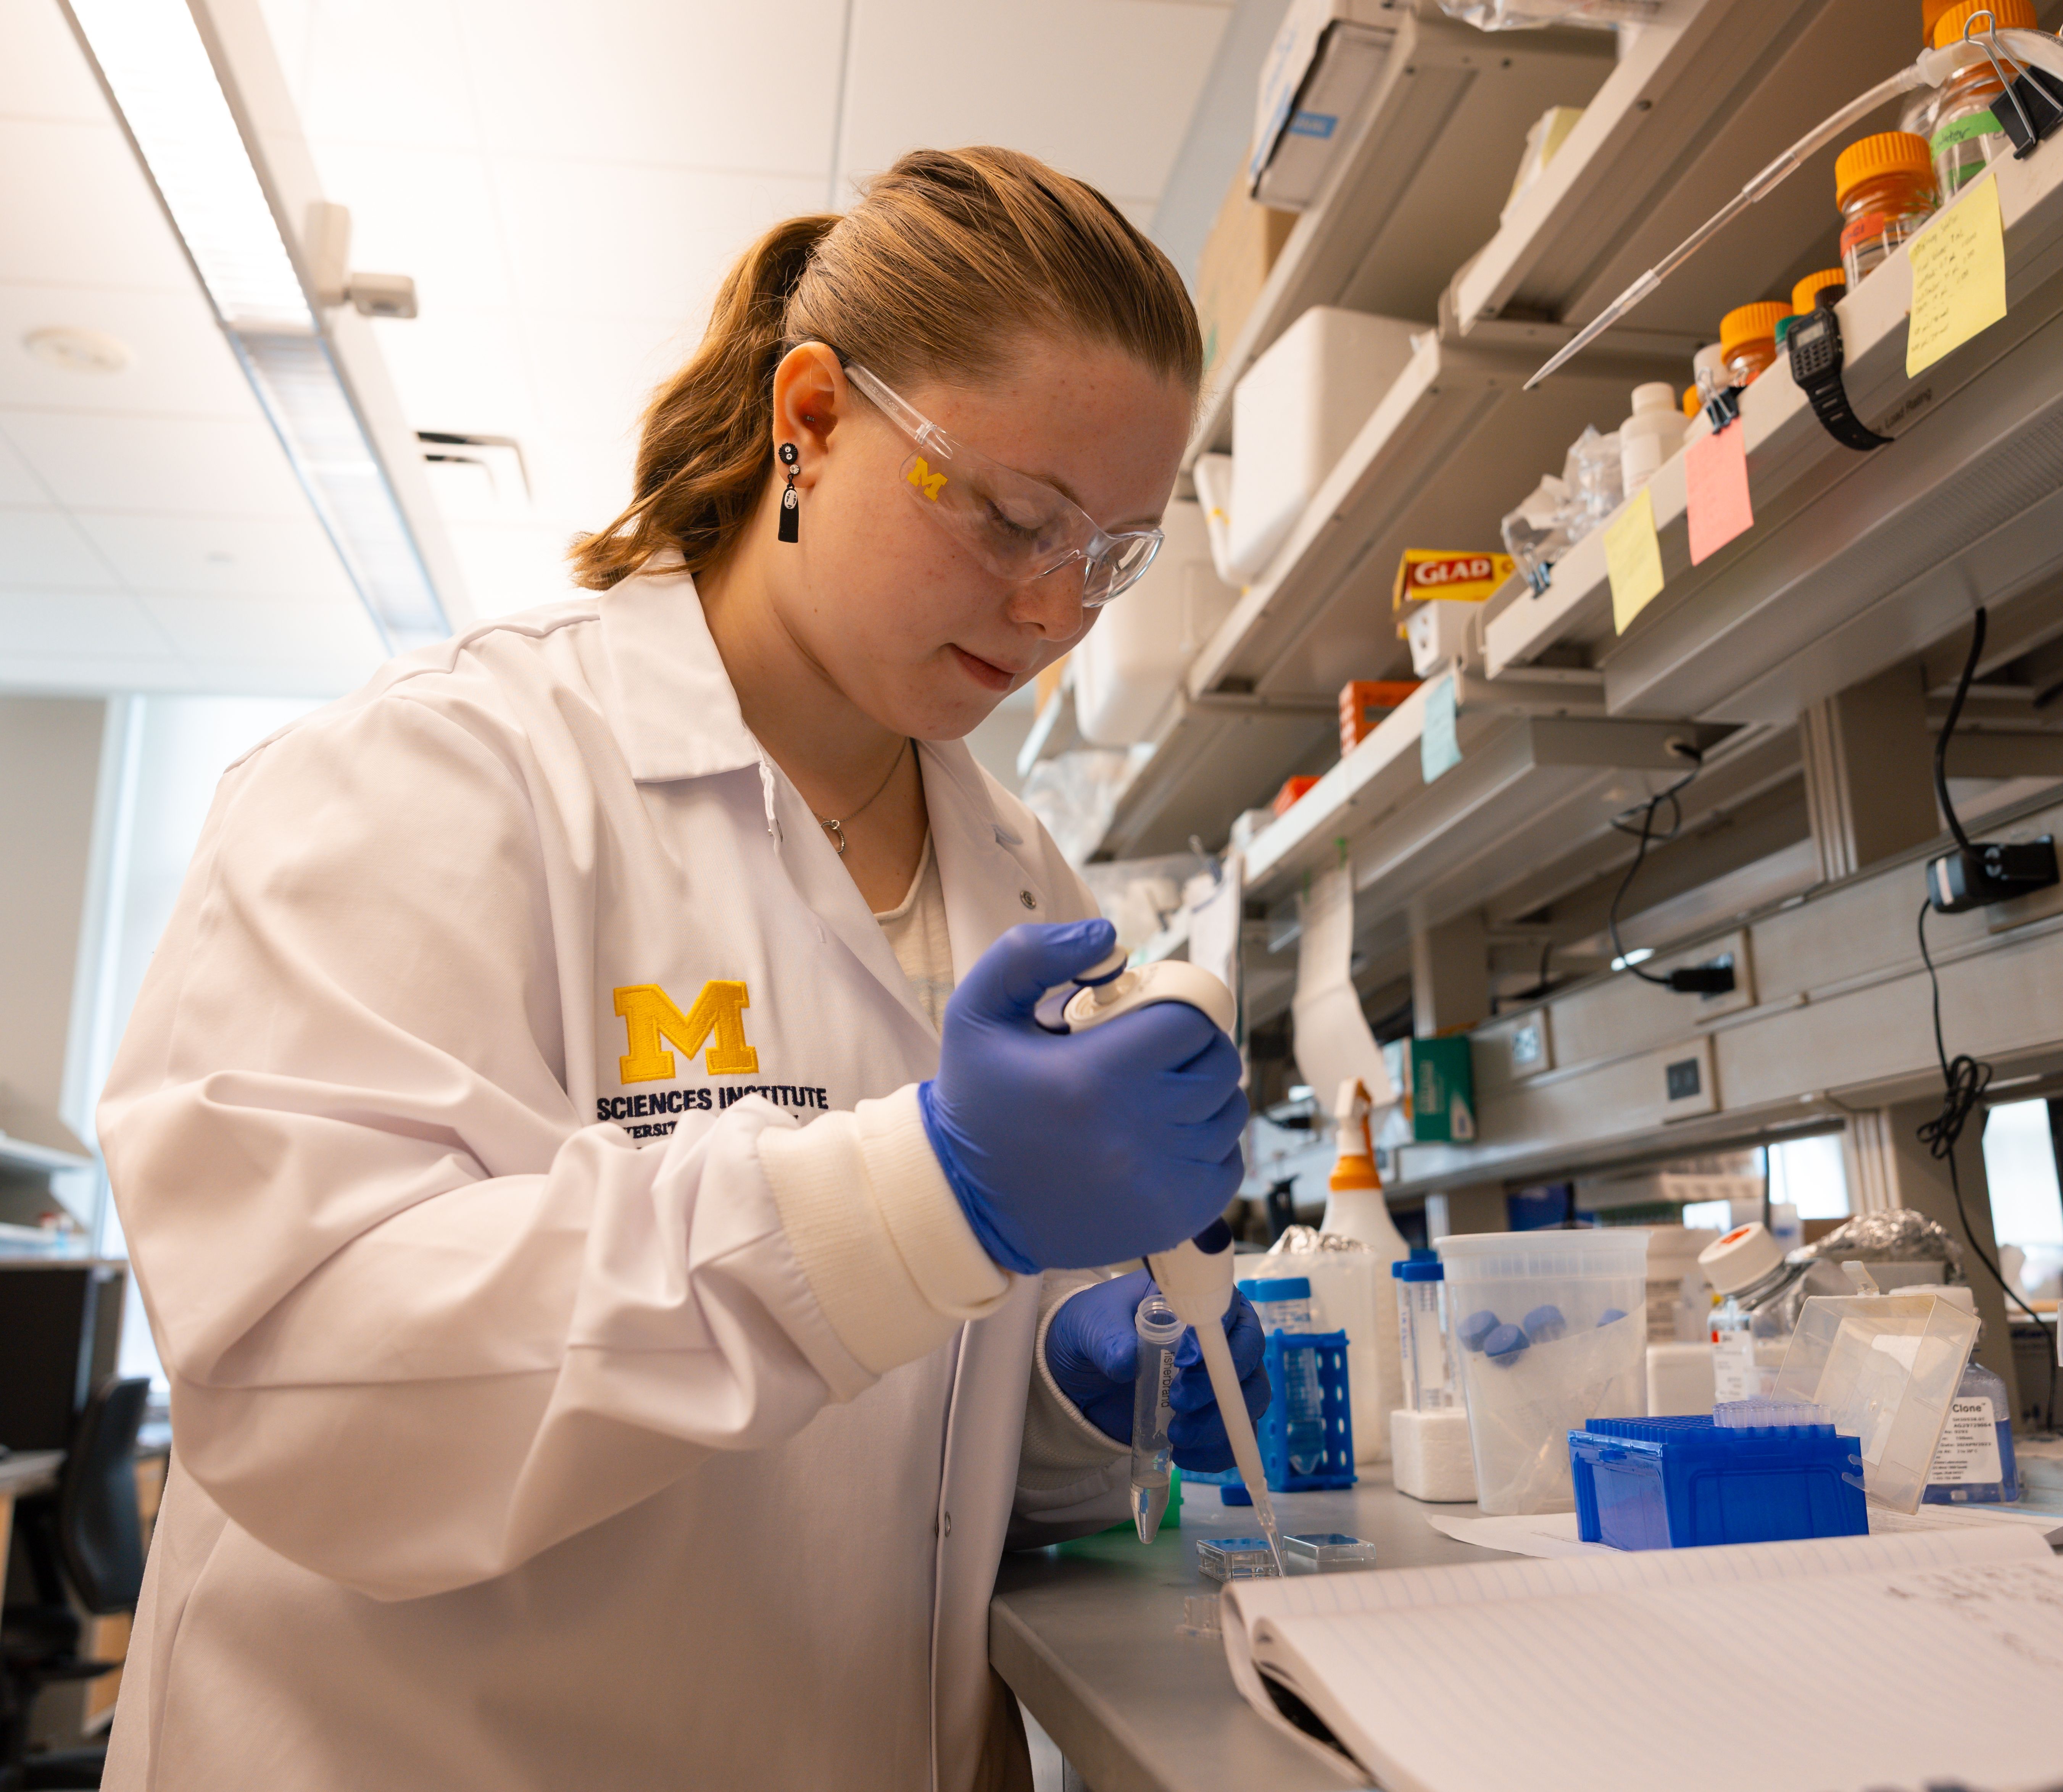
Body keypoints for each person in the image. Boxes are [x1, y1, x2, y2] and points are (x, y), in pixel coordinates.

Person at [94, 147, 1270, 1792]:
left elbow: (923, 1475)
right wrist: (921, 1196)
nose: (1052, 605)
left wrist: (1098, 1394)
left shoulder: (1024, 882)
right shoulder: (444, 776)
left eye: (1116, 555)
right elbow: (310, 1377)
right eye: (1015, 516)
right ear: (811, 421)